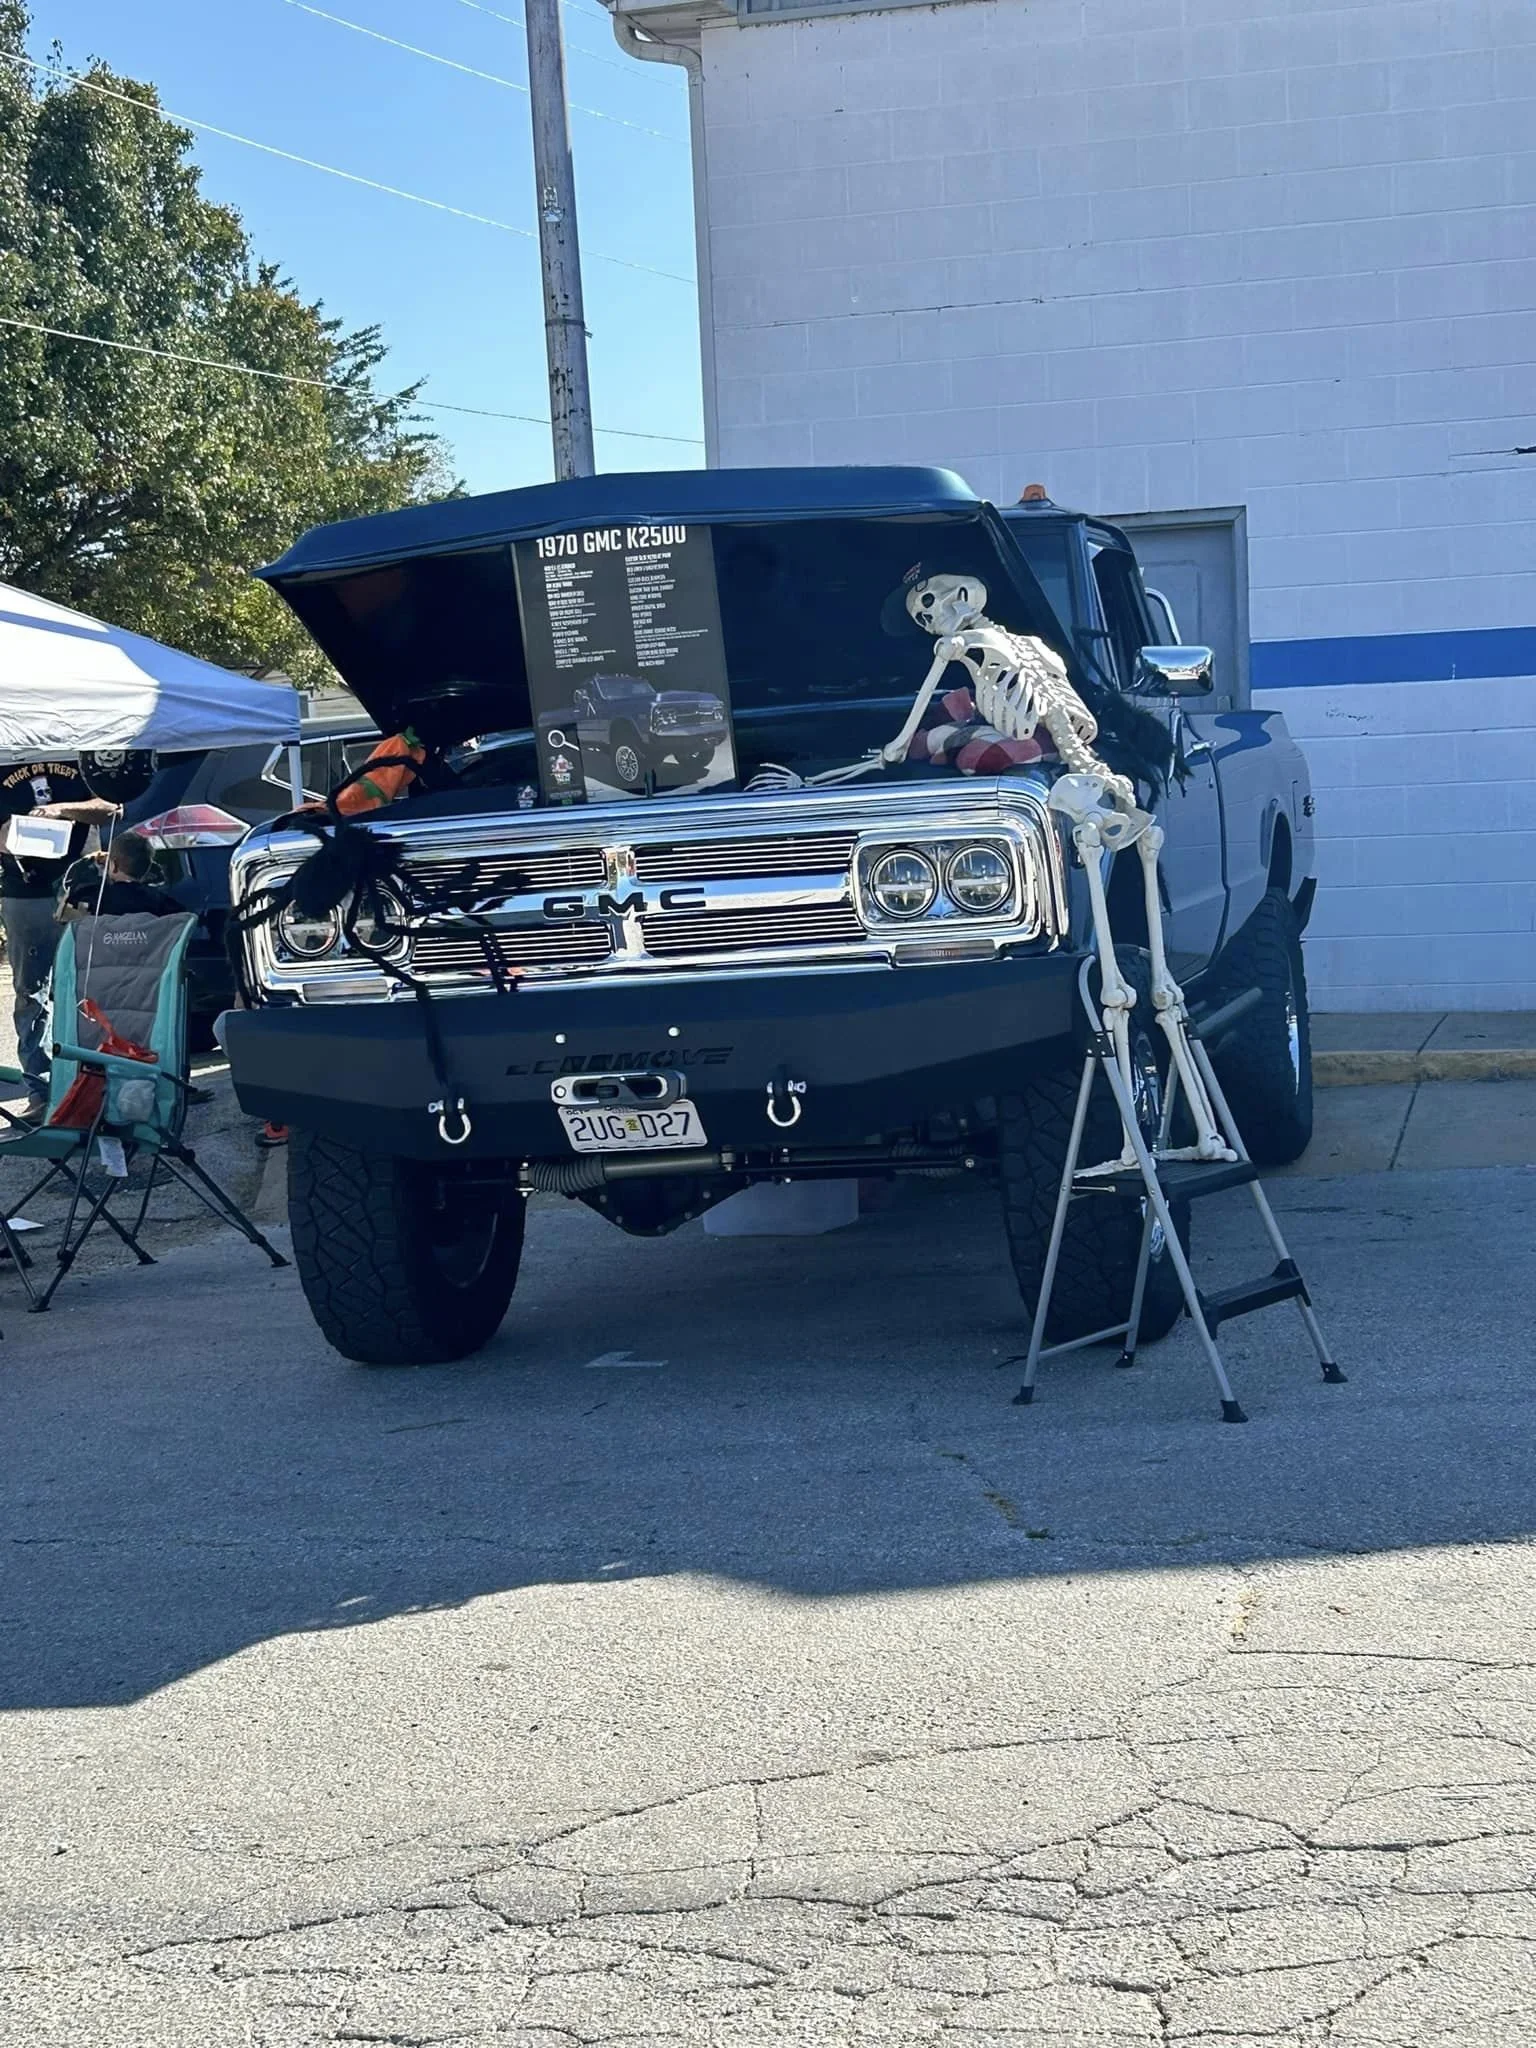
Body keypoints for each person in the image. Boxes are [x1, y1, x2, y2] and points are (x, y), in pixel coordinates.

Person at [0, 760, 117, 1113]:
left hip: (79, 885)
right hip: (24, 892)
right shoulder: (4, 748)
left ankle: (100, 1081)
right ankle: (41, 1088)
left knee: (93, 985)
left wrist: (60, 811)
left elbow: (111, 808)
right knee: (32, 991)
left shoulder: (73, 746)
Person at [61, 831, 182, 919]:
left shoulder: (96, 898)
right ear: (147, 870)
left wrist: (89, 859)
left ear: (114, 867)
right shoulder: (160, 901)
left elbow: (61, 914)